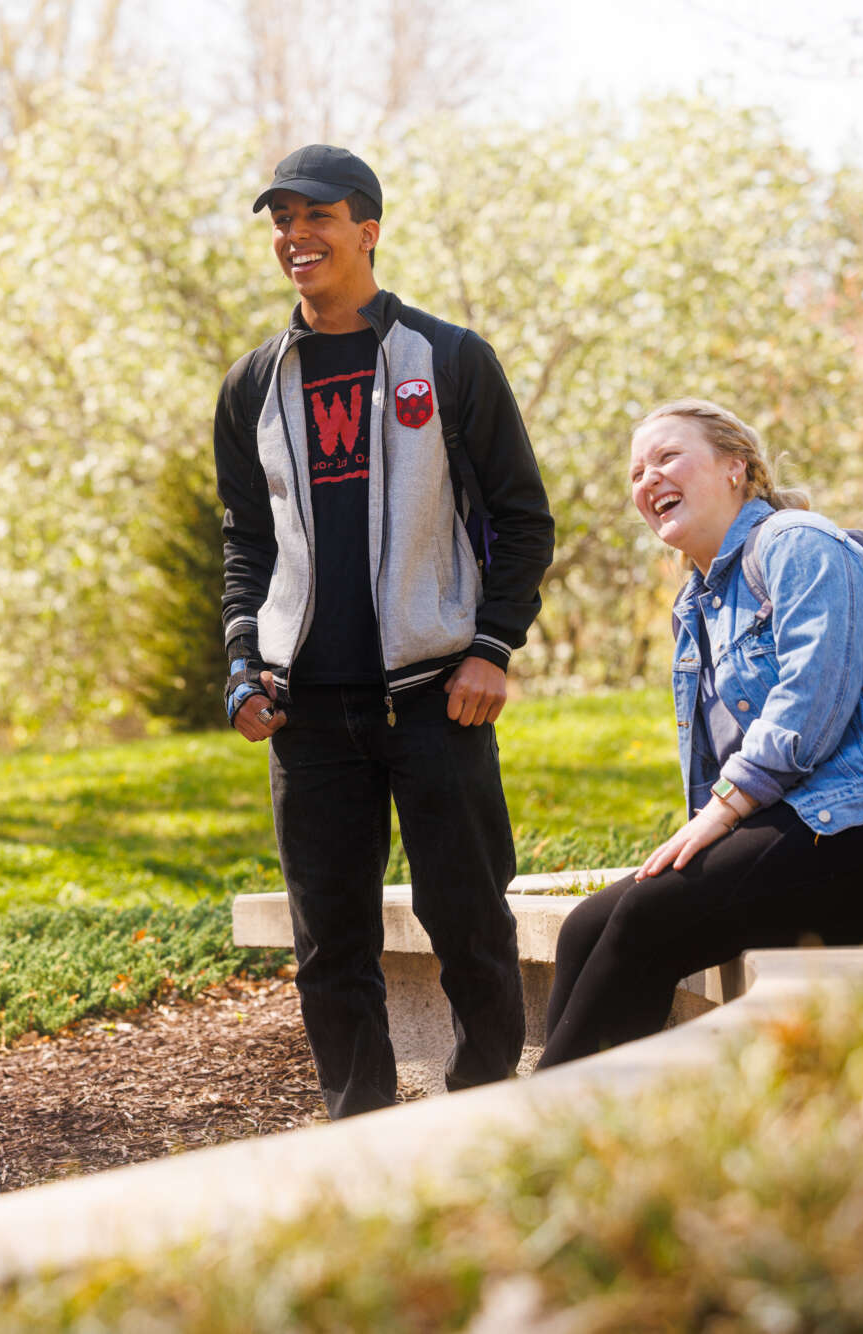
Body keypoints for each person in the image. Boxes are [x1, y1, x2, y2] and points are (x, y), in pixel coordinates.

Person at [214, 145, 555, 1119]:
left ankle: (484, 1116)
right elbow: (245, 542)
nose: (294, 237)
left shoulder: (447, 359)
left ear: (366, 227)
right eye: (280, 220)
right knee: (329, 947)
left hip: (434, 699)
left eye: (315, 216)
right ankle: (358, 1134)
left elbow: (522, 518)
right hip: (305, 716)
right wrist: (243, 662)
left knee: (469, 924)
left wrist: (491, 645)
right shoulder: (251, 386)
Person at [537, 399, 863, 1068]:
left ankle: (541, 1139)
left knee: (649, 919)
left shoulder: (799, 544)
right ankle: (570, 1117)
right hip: (822, 826)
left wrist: (723, 813)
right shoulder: (698, 604)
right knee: (583, 929)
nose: (647, 479)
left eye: (666, 458)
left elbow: (812, 701)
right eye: (635, 472)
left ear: (734, 468)